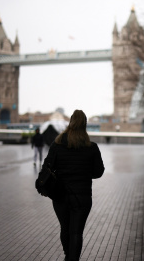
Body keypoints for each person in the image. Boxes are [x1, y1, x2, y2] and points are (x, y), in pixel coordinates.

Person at [42, 110, 105, 261]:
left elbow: (47, 167)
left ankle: (67, 256)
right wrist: (83, 172)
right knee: (76, 232)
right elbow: (98, 172)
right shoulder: (92, 147)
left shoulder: (57, 144)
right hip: (82, 196)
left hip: (60, 195)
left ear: (70, 123)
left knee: (65, 228)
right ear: (85, 125)